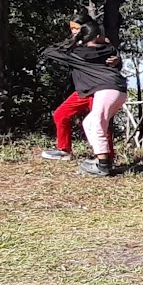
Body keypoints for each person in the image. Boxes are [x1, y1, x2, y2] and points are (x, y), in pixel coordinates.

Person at [39, 16, 128, 176]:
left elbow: (114, 63)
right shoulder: (92, 47)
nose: (73, 31)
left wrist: (117, 59)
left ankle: (105, 160)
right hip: (85, 90)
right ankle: (65, 151)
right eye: (71, 28)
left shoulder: (93, 49)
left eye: (76, 28)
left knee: (98, 123)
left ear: (86, 30)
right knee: (63, 114)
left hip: (100, 90)